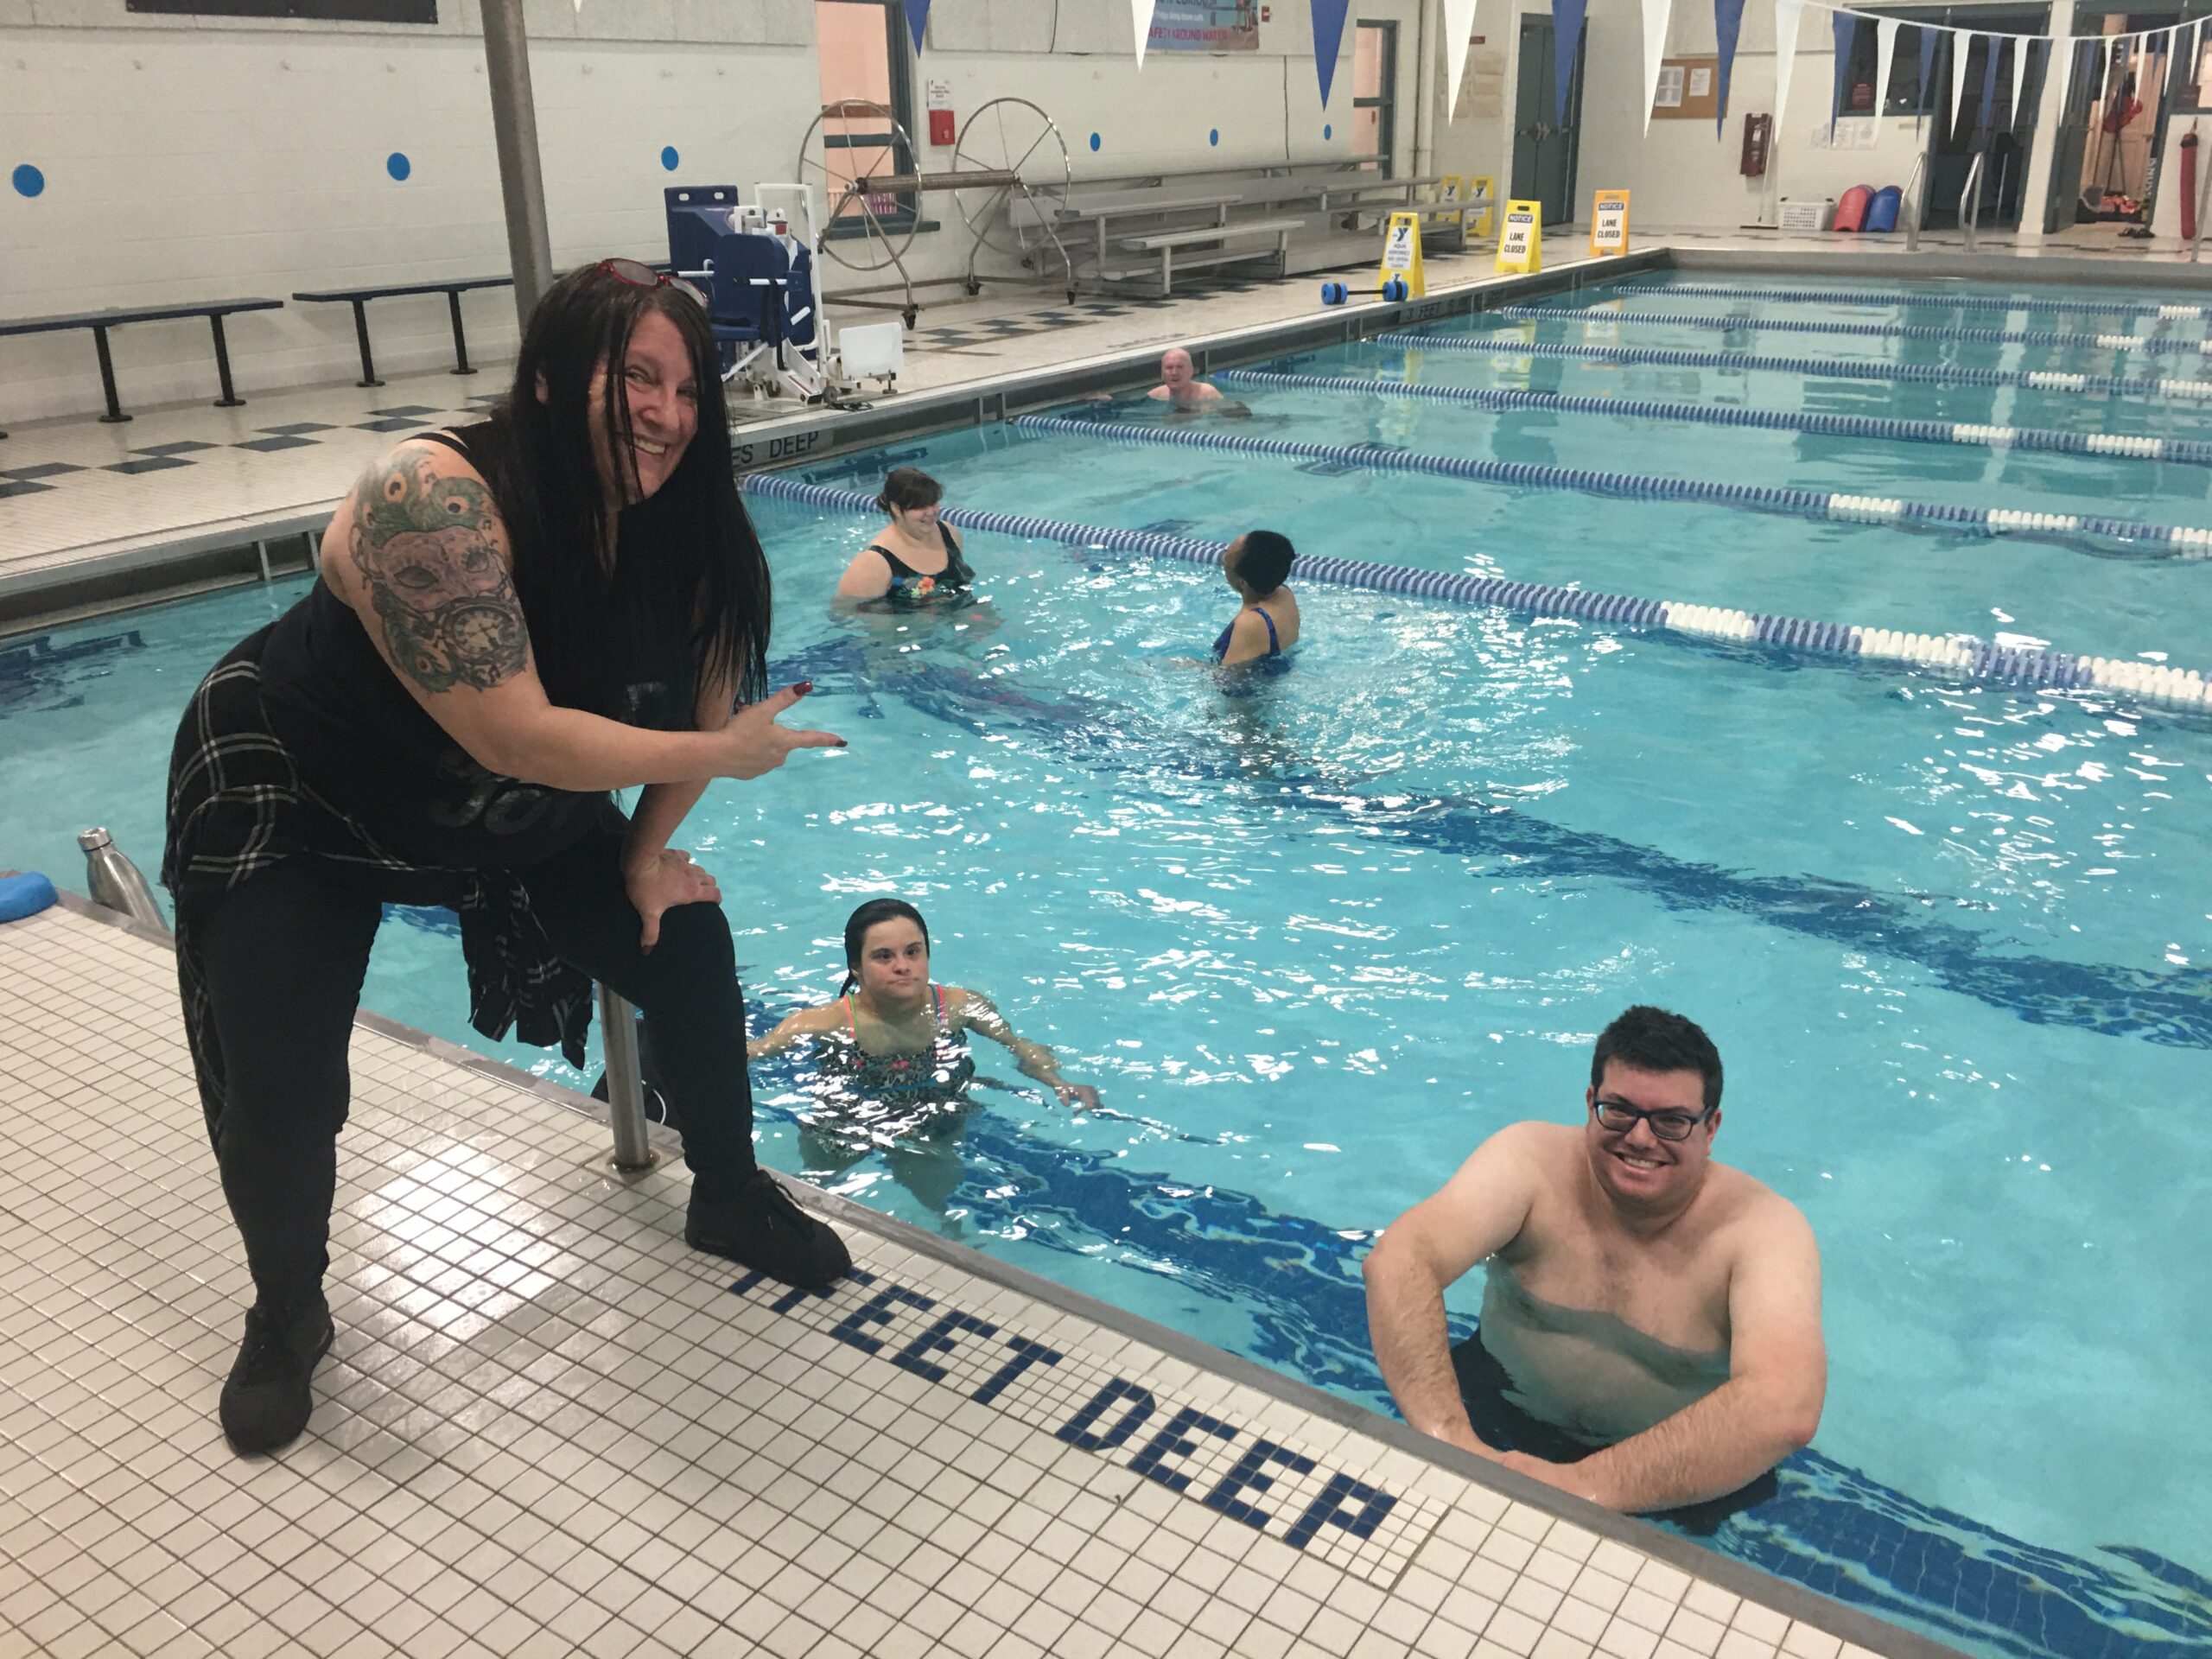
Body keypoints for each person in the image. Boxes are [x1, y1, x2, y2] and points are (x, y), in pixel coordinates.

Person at [162, 258, 853, 1457]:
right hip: (309, 785)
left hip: (500, 796)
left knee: (683, 939)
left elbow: (697, 709)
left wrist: (644, 855)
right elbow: (516, 728)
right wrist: (724, 756)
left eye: (689, 389)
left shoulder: (687, 529)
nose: (667, 413)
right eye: (636, 377)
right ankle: (287, 1310)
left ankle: (729, 1194)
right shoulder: (430, 499)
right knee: (286, 1082)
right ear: (546, 378)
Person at [1362, 1007, 1825, 1519]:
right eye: (1619, 1110)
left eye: (1671, 1121)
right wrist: (1449, 1439)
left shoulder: (1762, 1229)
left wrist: (1578, 1485)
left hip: (1671, 1474)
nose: (1641, 1138)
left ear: (1710, 1128)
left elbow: (1784, 1405)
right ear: (1589, 1104)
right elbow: (1400, 1259)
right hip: (1490, 1410)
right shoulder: (1530, 1162)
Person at [750, 899, 1101, 1214]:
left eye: (913, 952)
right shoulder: (825, 1022)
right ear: (856, 967)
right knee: (808, 1195)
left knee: (939, 1205)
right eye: (884, 956)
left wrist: (1059, 1082)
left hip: (936, 1114)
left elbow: (1019, 1045)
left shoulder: (961, 1006)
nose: (902, 966)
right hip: (846, 1115)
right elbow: (749, 1054)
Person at [836, 467, 975, 605]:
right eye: (920, 507)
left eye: (933, 503)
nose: (931, 512)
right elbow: (847, 611)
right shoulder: (875, 561)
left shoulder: (948, 534)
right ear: (896, 508)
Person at [1214, 530, 1300, 667]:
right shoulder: (1285, 593)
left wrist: (1192, 667)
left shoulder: (1251, 622)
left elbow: (1228, 681)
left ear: (1243, 583)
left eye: (1226, 561)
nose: (1223, 561)